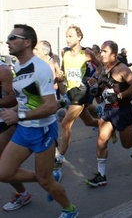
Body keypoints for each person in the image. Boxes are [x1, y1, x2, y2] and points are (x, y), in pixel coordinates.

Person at [0, 24, 78, 217]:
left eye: (12, 37)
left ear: (27, 43)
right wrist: (16, 110)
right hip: (24, 130)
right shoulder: (18, 66)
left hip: (42, 130)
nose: (8, 41)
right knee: (3, 172)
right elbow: (25, 98)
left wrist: (19, 115)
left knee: (45, 182)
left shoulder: (40, 68)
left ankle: (70, 210)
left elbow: (51, 106)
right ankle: (49, 177)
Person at [85, 41, 132, 187]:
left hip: (123, 110)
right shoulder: (105, 68)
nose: (102, 54)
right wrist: (96, 88)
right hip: (109, 111)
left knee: (127, 144)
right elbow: (102, 87)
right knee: (101, 140)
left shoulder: (122, 69)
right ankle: (101, 175)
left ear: (113, 53)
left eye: (105, 51)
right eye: (101, 51)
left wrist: (119, 96)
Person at [55, 25, 103, 170]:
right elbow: (64, 71)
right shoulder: (64, 52)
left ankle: (60, 157)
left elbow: (100, 66)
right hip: (70, 92)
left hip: (82, 92)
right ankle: (109, 126)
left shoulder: (87, 53)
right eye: (66, 36)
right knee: (88, 122)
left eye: (70, 36)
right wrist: (60, 76)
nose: (67, 39)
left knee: (65, 124)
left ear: (79, 37)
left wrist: (94, 77)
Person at [0, 59, 30, 212]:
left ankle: (26, 192)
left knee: (4, 168)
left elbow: (13, 98)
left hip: (3, 122)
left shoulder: (3, 70)